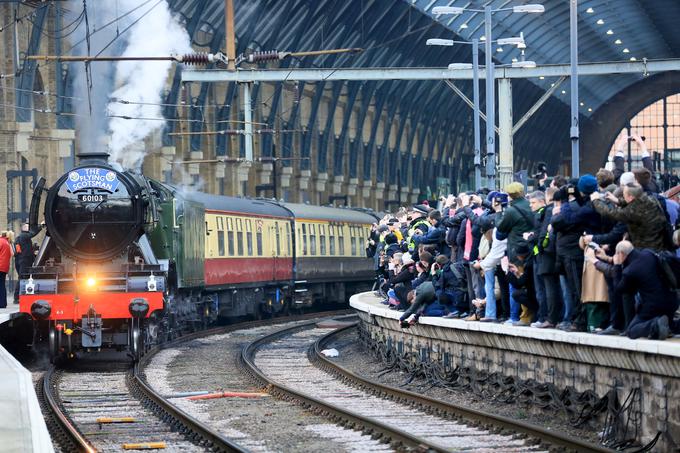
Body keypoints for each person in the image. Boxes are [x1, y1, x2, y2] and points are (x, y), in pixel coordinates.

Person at [613, 241, 678, 339]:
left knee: (631, 330)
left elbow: (619, 289)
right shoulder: (648, 253)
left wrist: (617, 266)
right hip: (672, 301)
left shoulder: (630, 271)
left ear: (621, 254)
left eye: (616, 254)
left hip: (653, 307)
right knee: (670, 325)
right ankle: (670, 326)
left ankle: (654, 324)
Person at [14, 223, 33, 304]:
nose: (29, 228)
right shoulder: (24, 236)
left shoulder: (19, 237)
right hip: (24, 261)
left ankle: (18, 296)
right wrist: (40, 227)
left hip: (21, 260)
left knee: (22, 278)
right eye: (27, 226)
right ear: (24, 228)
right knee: (22, 278)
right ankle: (17, 297)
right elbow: (33, 233)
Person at [0, 232, 14, 309]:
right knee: (2, 285)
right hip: (4, 267)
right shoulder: (7, 243)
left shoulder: (0, 241)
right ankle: (3, 303)